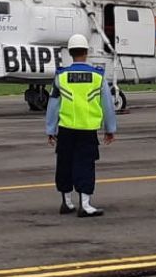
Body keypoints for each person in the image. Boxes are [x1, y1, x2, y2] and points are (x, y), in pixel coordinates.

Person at [45, 34, 117, 217]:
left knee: (64, 164)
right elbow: (107, 105)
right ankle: (85, 204)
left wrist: (50, 130)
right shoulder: (97, 77)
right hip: (87, 130)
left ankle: (67, 202)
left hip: (66, 129)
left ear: (70, 52)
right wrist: (110, 129)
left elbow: (53, 104)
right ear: (86, 52)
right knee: (85, 164)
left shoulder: (61, 76)